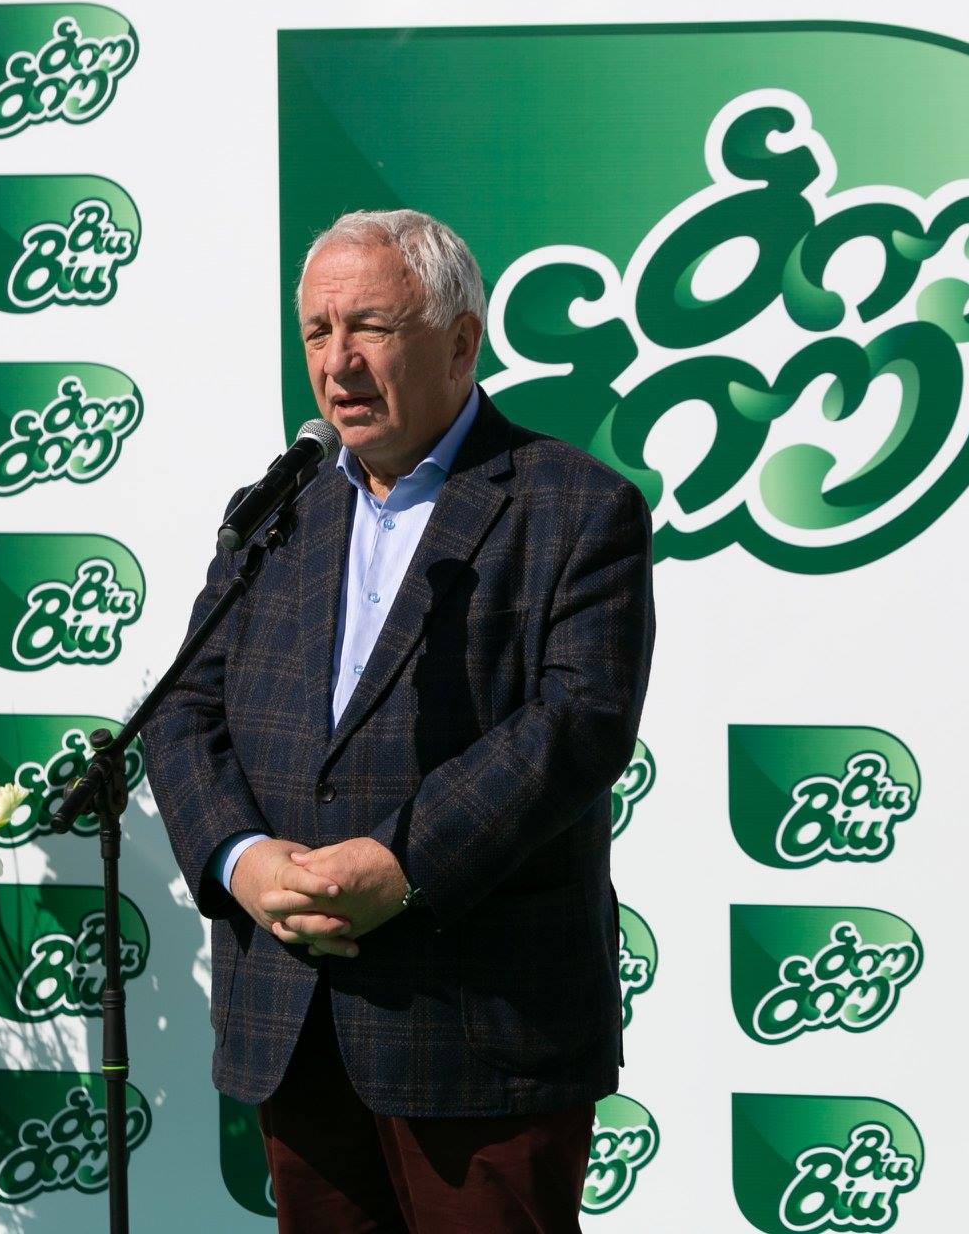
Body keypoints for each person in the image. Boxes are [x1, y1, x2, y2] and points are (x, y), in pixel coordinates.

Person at [145, 208, 655, 1233]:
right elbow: (183, 707)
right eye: (317, 332)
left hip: (481, 1026)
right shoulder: (277, 509)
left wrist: (402, 862)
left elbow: (578, 725)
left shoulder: (577, 506)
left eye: (370, 328)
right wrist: (242, 859)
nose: (338, 363)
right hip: (294, 1011)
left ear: (461, 342)